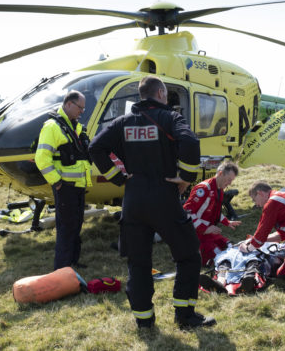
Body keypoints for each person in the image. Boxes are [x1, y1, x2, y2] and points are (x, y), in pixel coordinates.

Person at [88, 76, 215, 329]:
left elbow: (95, 147)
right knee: (189, 255)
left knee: (139, 262)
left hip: (133, 200)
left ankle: (144, 321)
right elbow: (189, 141)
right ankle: (184, 315)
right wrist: (186, 177)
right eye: (166, 95)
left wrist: (119, 178)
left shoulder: (122, 122)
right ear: (160, 93)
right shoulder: (171, 118)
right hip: (164, 196)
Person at [35, 91, 92, 270]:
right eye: (79, 107)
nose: (82, 111)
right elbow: (42, 158)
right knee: (66, 227)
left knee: (76, 224)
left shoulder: (75, 127)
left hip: (78, 186)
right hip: (65, 186)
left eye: (83, 108)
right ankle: (62, 268)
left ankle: (73, 261)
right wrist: (57, 182)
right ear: (68, 104)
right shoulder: (52, 127)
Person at [183, 161, 242, 266]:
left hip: (208, 234)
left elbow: (214, 212)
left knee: (230, 246)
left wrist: (227, 222)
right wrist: (204, 228)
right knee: (219, 257)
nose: (230, 183)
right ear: (220, 174)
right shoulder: (204, 189)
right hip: (196, 235)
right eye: (229, 179)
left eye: (231, 180)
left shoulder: (219, 189)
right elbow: (187, 212)